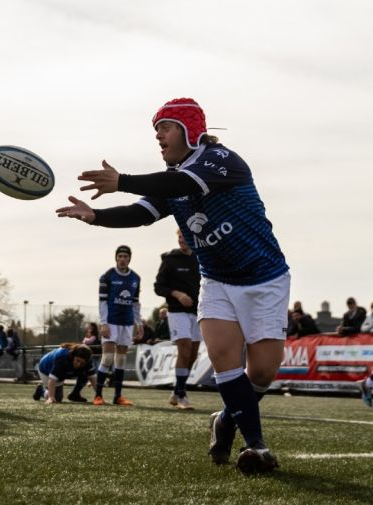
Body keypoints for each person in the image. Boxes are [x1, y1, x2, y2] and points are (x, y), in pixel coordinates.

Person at [56, 97, 289, 474]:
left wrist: (124, 181)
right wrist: (95, 216)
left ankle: (225, 420)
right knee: (224, 361)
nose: (158, 136)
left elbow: (180, 181)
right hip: (216, 281)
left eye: (164, 127)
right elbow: (140, 213)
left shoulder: (221, 160)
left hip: (265, 278)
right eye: (156, 130)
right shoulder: (172, 179)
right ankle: (257, 447)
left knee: (261, 373)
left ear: (189, 130)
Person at [154, 229, 202, 409]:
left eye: (185, 236)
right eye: (179, 237)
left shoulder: (201, 258)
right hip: (176, 311)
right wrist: (177, 294)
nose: (181, 240)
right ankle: (182, 395)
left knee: (193, 354)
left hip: (198, 312)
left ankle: (177, 389)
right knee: (185, 348)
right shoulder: (169, 259)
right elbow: (159, 287)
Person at [94, 245, 142, 407]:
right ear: (116, 258)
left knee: (120, 359)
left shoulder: (136, 278)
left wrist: (139, 323)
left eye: (125, 257)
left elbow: (135, 304)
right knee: (107, 357)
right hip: (111, 322)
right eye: (120, 256)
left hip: (127, 323)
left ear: (130, 258)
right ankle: (98, 395)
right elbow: (102, 302)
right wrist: (103, 323)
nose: (122, 259)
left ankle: (118, 396)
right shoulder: (107, 276)